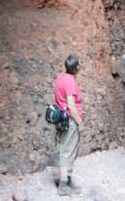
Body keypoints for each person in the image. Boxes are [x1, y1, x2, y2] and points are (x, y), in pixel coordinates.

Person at [53, 54, 83, 196]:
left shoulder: (61, 78)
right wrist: (79, 122)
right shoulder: (70, 82)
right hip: (69, 121)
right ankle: (64, 185)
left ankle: (68, 183)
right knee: (67, 152)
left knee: (65, 149)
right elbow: (71, 105)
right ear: (76, 67)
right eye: (79, 65)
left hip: (61, 119)